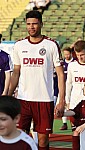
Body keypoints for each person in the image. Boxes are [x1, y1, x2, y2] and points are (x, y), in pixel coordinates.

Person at [8, 10, 65, 150]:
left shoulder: (51, 45)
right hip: (23, 99)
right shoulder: (19, 45)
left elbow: (60, 74)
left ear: (41, 24)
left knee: (43, 141)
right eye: (28, 24)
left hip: (44, 99)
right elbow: (16, 72)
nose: (31, 27)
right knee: (20, 137)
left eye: (34, 24)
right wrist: (8, 95)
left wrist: (62, 100)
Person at [60, 47, 75, 130]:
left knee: (72, 105)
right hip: (64, 87)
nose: (66, 56)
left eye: (68, 54)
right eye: (65, 54)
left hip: (73, 87)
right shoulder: (62, 63)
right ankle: (64, 123)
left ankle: (73, 123)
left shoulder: (74, 62)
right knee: (64, 104)